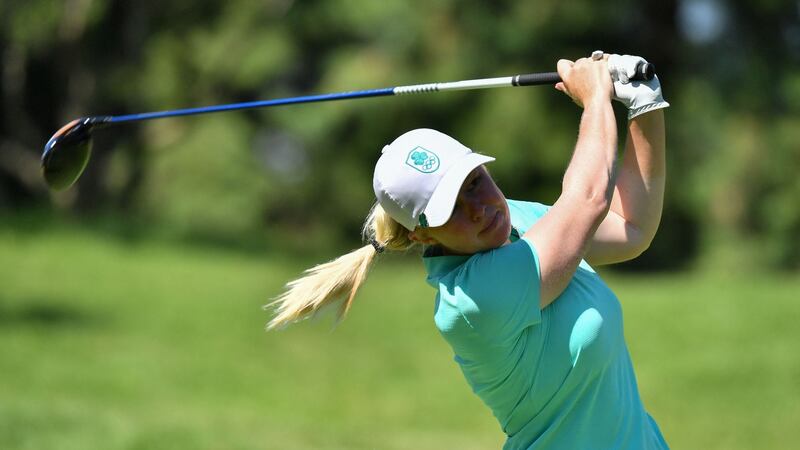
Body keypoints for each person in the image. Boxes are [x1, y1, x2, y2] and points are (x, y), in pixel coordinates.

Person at [267, 51, 670, 449]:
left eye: (474, 182)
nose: (479, 210)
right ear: (423, 236)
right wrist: (596, 97)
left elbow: (629, 227)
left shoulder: (511, 220)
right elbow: (586, 201)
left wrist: (644, 103)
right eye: (451, 209)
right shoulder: (472, 301)